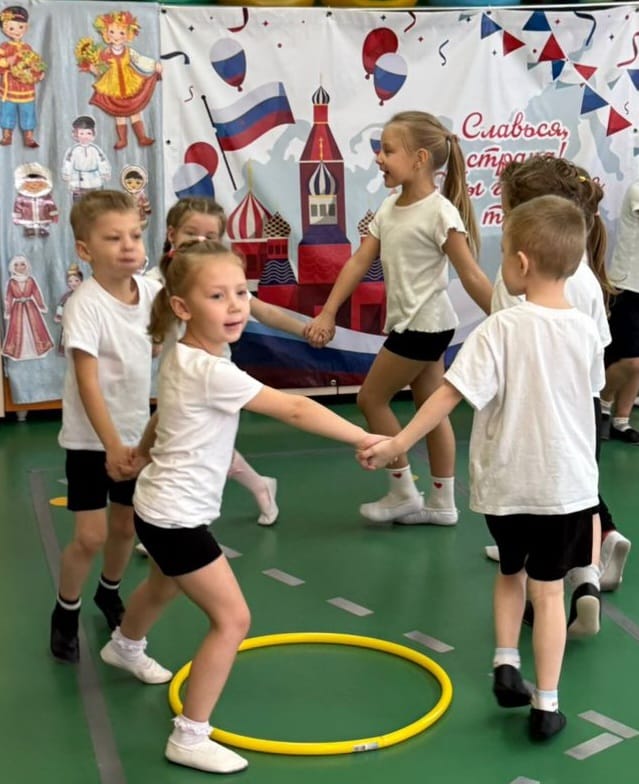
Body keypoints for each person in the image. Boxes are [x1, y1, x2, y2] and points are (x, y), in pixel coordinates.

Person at [99, 240, 376, 773]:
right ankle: (190, 735)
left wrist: (143, 452)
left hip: (157, 505)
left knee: (163, 583)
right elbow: (293, 409)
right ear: (182, 307)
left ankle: (125, 646)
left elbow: (162, 413)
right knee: (232, 620)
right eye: (217, 296)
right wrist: (364, 438)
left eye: (241, 294)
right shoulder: (212, 371)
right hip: (176, 518)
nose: (235, 306)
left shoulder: (189, 354)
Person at [359, 195, 603, 741]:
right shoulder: (586, 331)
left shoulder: (500, 328)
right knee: (549, 594)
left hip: (508, 486)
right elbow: (589, 400)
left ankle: (505, 661)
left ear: (521, 263)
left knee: (511, 573)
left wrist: (397, 440)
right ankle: (547, 704)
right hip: (566, 489)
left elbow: (448, 396)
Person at [307, 110, 492, 526]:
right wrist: (329, 310)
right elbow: (359, 261)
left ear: (420, 158)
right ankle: (442, 504)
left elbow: (470, 274)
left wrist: (509, 320)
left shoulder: (440, 212)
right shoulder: (390, 208)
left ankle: (403, 490)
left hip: (422, 328)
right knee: (432, 410)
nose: (379, 158)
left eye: (388, 151)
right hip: (424, 326)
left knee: (370, 399)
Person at [487, 157, 631, 632]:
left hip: (531, 408)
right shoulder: (584, 274)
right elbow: (597, 354)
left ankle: (537, 596)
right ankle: (586, 579)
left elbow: (503, 351)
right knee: (578, 493)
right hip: (581, 406)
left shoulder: (517, 279)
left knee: (535, 501)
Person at [147, 196, 310, 529]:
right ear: (172, 233)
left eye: (210, 236)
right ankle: (255, 487)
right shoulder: (154, 281)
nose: (200, 241)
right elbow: (149, 330)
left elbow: (265, 312)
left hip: (213, 376)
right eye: (191, 233)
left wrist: (304, 330)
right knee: (194, 445)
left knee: (201, 446)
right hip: (179, 376)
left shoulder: (219, 281)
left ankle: (180, 523)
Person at [50, 190, 161, 664]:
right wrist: (112, 445)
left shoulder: (151, 293)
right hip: (91, 441)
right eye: (113, 238)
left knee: (124, 525)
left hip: (136, 434)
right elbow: (88, 382)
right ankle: (65, 611)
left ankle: (108, 591)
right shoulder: (85, 304)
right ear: (85, 250)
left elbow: (160, 341)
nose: (128, 245)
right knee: (90, 536)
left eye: (134, 235)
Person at [600, 177, 639, 444]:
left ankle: (621, 421)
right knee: (629, 359)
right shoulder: (637, 189)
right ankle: (603, 404)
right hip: (629, 285)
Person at [0, 5, 45, 147]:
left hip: (26, 88)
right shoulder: (4, 47)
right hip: (9, 88)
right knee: (7, 111)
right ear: (4, 28)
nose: (17, 31)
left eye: (20, 27)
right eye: (11, 28)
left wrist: (38, 73)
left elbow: (34, 63)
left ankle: (29, 136)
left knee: (28, 111)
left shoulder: (27, 48)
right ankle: (7, 134)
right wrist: (7, 61)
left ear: (26, 27)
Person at [61, 115, 112, 202]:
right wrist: (67, 174)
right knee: (79, 204)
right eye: (82, 133)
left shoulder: (96, 150)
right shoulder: (73, 150)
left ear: (93, 135)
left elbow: (102, 161)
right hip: (78, 182)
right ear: (76, 135)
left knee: (96, 203)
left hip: (94, 181)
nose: (85, 136)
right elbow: (68, 163)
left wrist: (105, 172)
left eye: (88, 133)